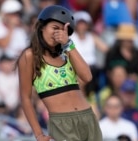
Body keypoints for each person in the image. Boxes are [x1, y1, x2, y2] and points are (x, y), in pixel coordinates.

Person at [17, 5, 102, 141]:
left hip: (88, 118)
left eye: (64, 31)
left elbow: (87, 76)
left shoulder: (67, 53)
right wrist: (38, 134)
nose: (59, 33)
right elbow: (25, 98)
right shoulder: (29, 56)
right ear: (42, 27)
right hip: (61, 124)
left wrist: (68, 44)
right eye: (55, 28)